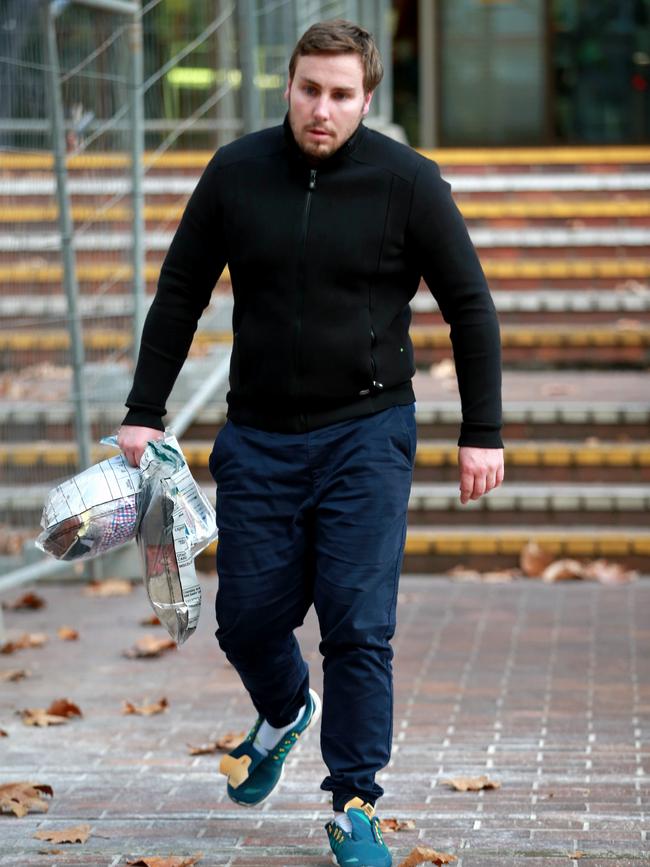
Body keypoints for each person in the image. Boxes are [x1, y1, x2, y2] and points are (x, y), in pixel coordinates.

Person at [118, 19, 504, 867]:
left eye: (339, 95)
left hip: (367, 433)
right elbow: (181, 290)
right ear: (285, 87)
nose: (320, 110)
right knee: (246, 618)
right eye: (307, 90)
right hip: (257, 436)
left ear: (367, 99)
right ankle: (288, 709)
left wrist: (484, 432)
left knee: (358, 624)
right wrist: (145, 411)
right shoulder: (235, 174)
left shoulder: (409, 184)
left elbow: (470, 305)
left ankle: (355, 801)